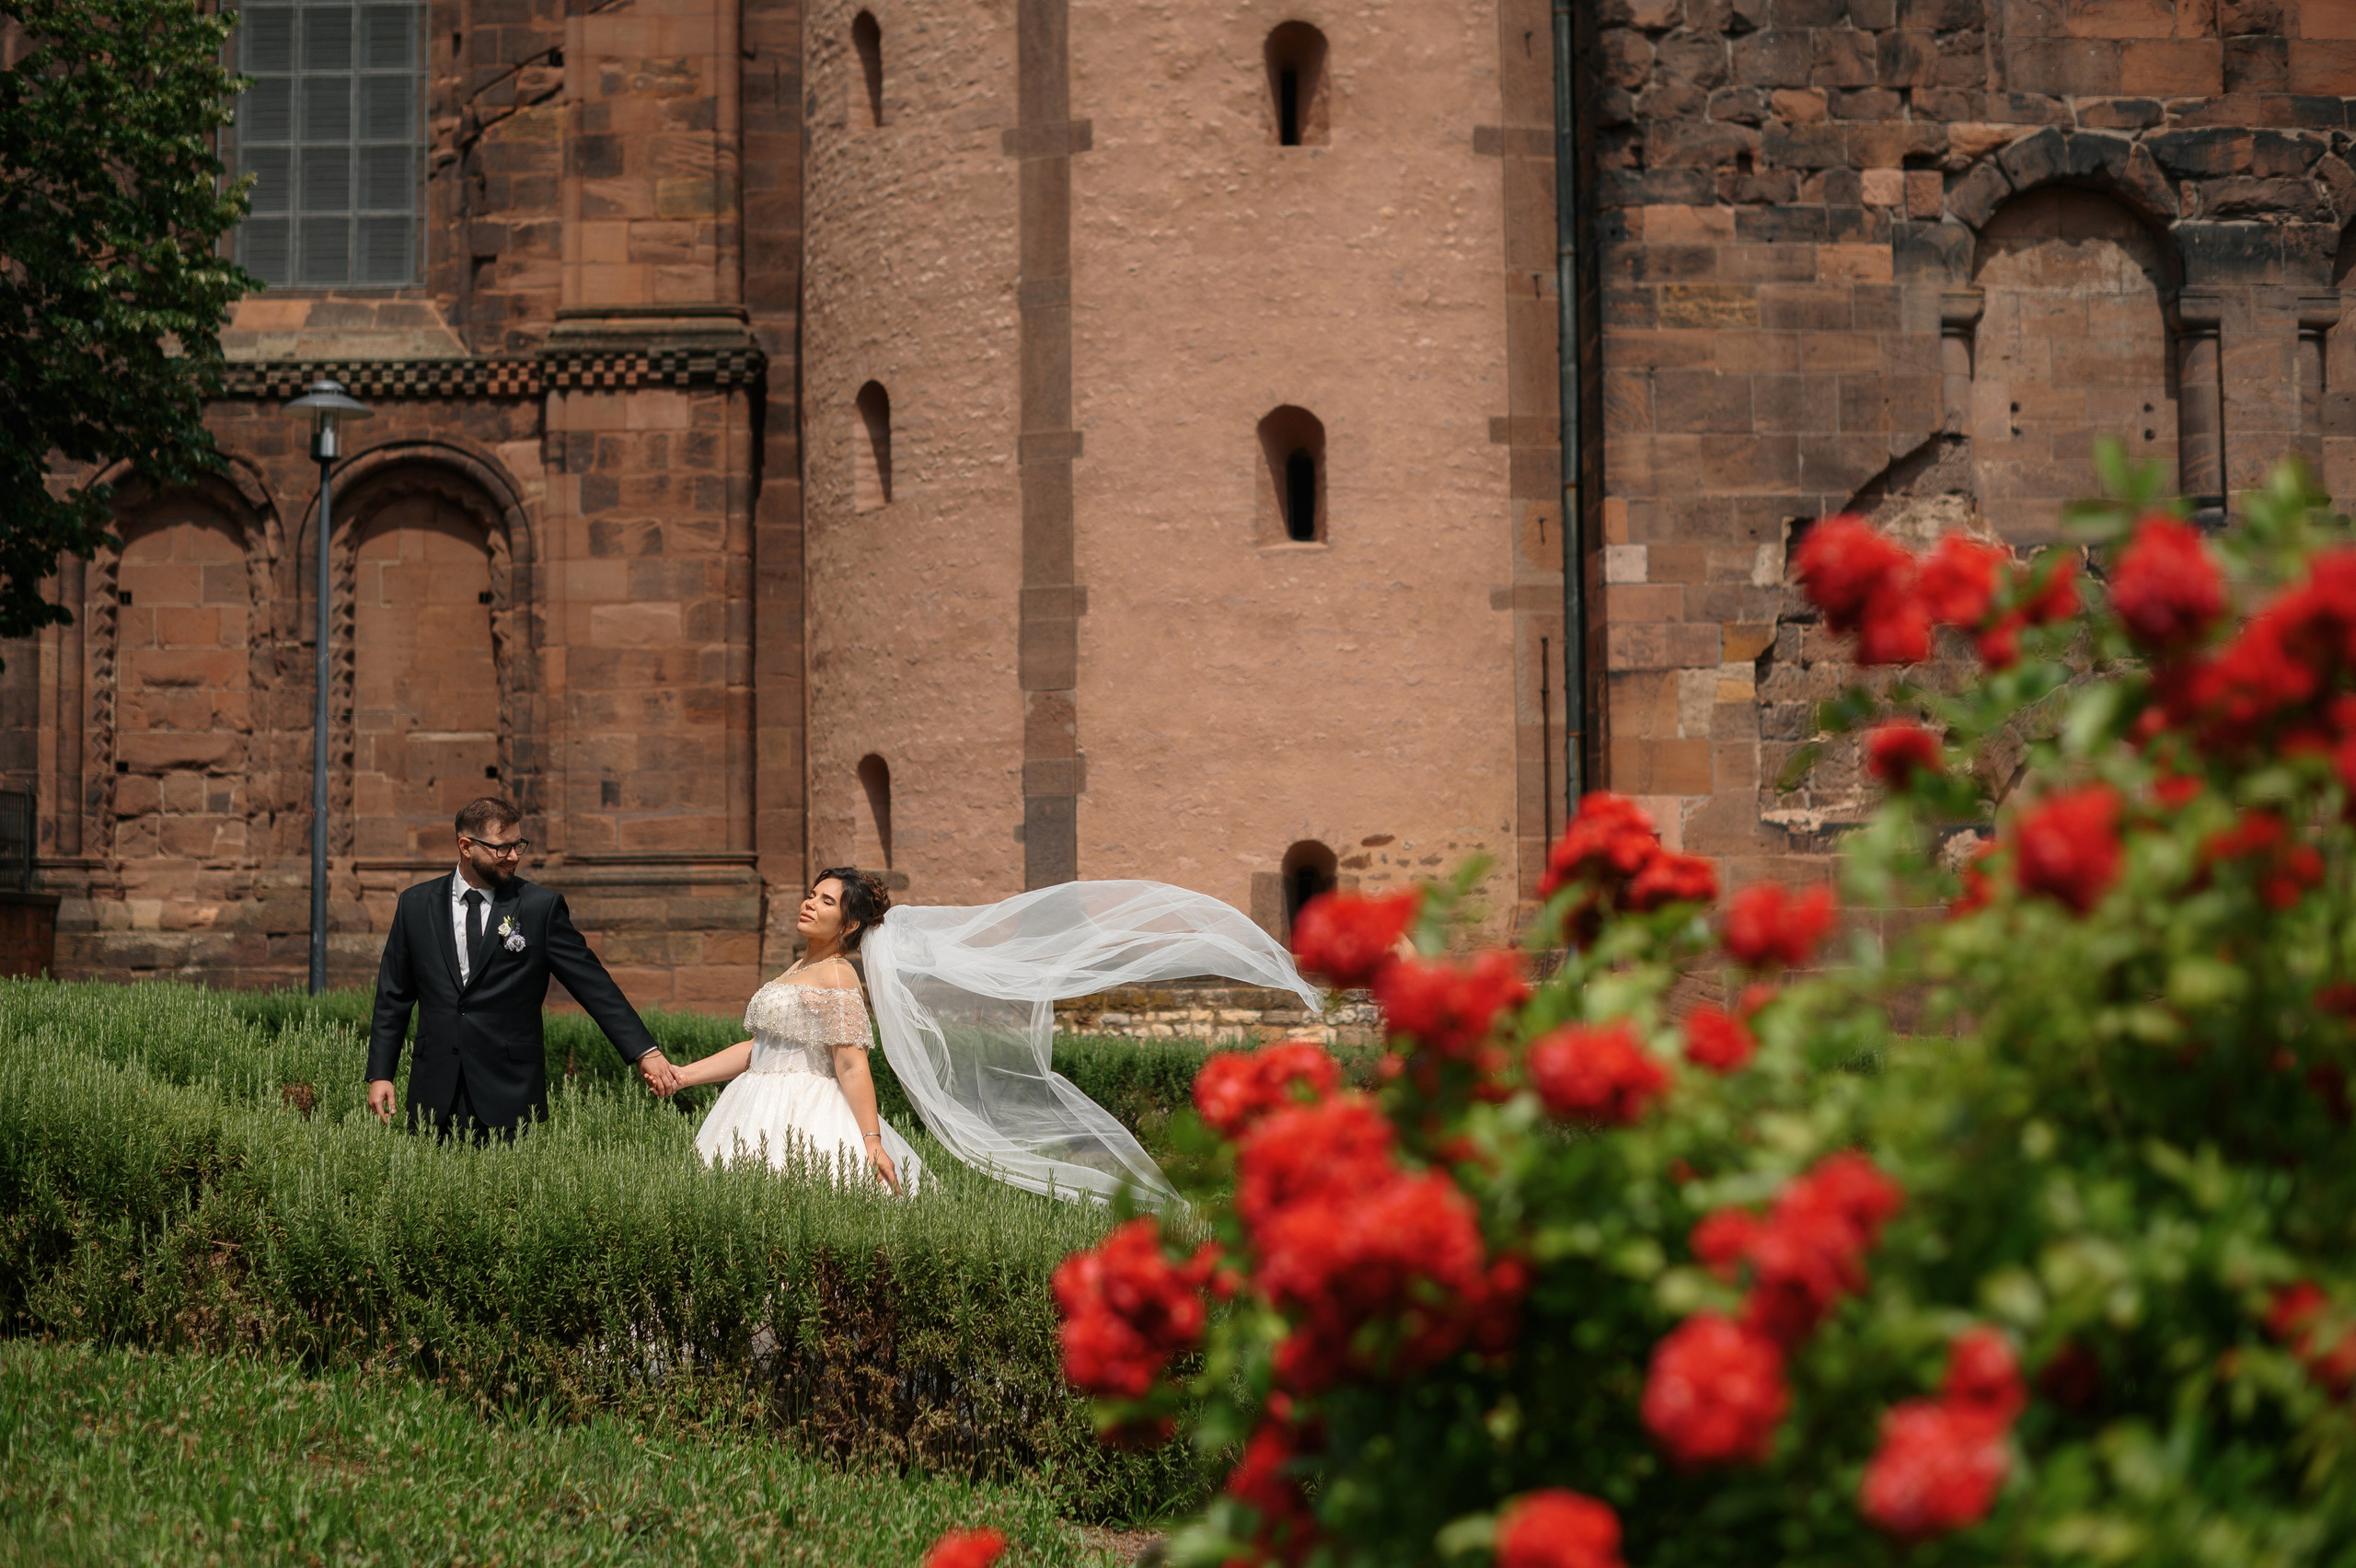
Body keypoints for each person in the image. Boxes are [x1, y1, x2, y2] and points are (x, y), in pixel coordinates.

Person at [366, 796, 677, 1140]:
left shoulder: (539, 907)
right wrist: (381, 1074)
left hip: (508, 1091)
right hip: (434, 1092)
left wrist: (644, 1052)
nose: (514, 856)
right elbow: (393, 996)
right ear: (466, 847)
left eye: (518, 845)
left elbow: (593, 984)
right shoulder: (415, 904)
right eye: (502, 847)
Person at [664, 868, 918, 1193]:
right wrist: (683, 1076)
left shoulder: (837, 975)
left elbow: (851, 1065)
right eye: (811, 895)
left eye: (826, 901)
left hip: (803, 1109)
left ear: (849, 925)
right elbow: (759, 1049)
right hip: (752, 1104)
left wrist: (872, 1141)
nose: (809, 903)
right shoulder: (797, 969)